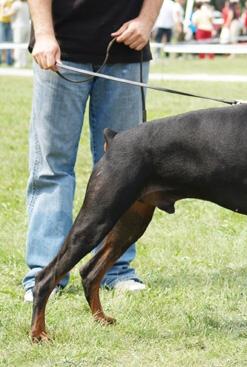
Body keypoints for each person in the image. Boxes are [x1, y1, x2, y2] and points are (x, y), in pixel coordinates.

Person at [22, 0, 163, 303]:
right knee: (52, 168)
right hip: (61, 50)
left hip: (127, 49)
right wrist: (44, 34)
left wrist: (145, 21)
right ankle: (45, 273)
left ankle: (115, 269)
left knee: (127, 172)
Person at [7, 0, 29, 68]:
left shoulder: (16, 4)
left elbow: (9, 14)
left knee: (17, 44)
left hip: (18, 26)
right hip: (27, 26)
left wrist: (5, 9)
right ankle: (24, 62)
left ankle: (18, 63)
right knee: (24, 46)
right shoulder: (27, 4)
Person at [0, 0, 13, 65]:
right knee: (1, 42)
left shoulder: (11, 1)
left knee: (9, 43)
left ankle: (9, 61)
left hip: (9, 23)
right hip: (1, 23)